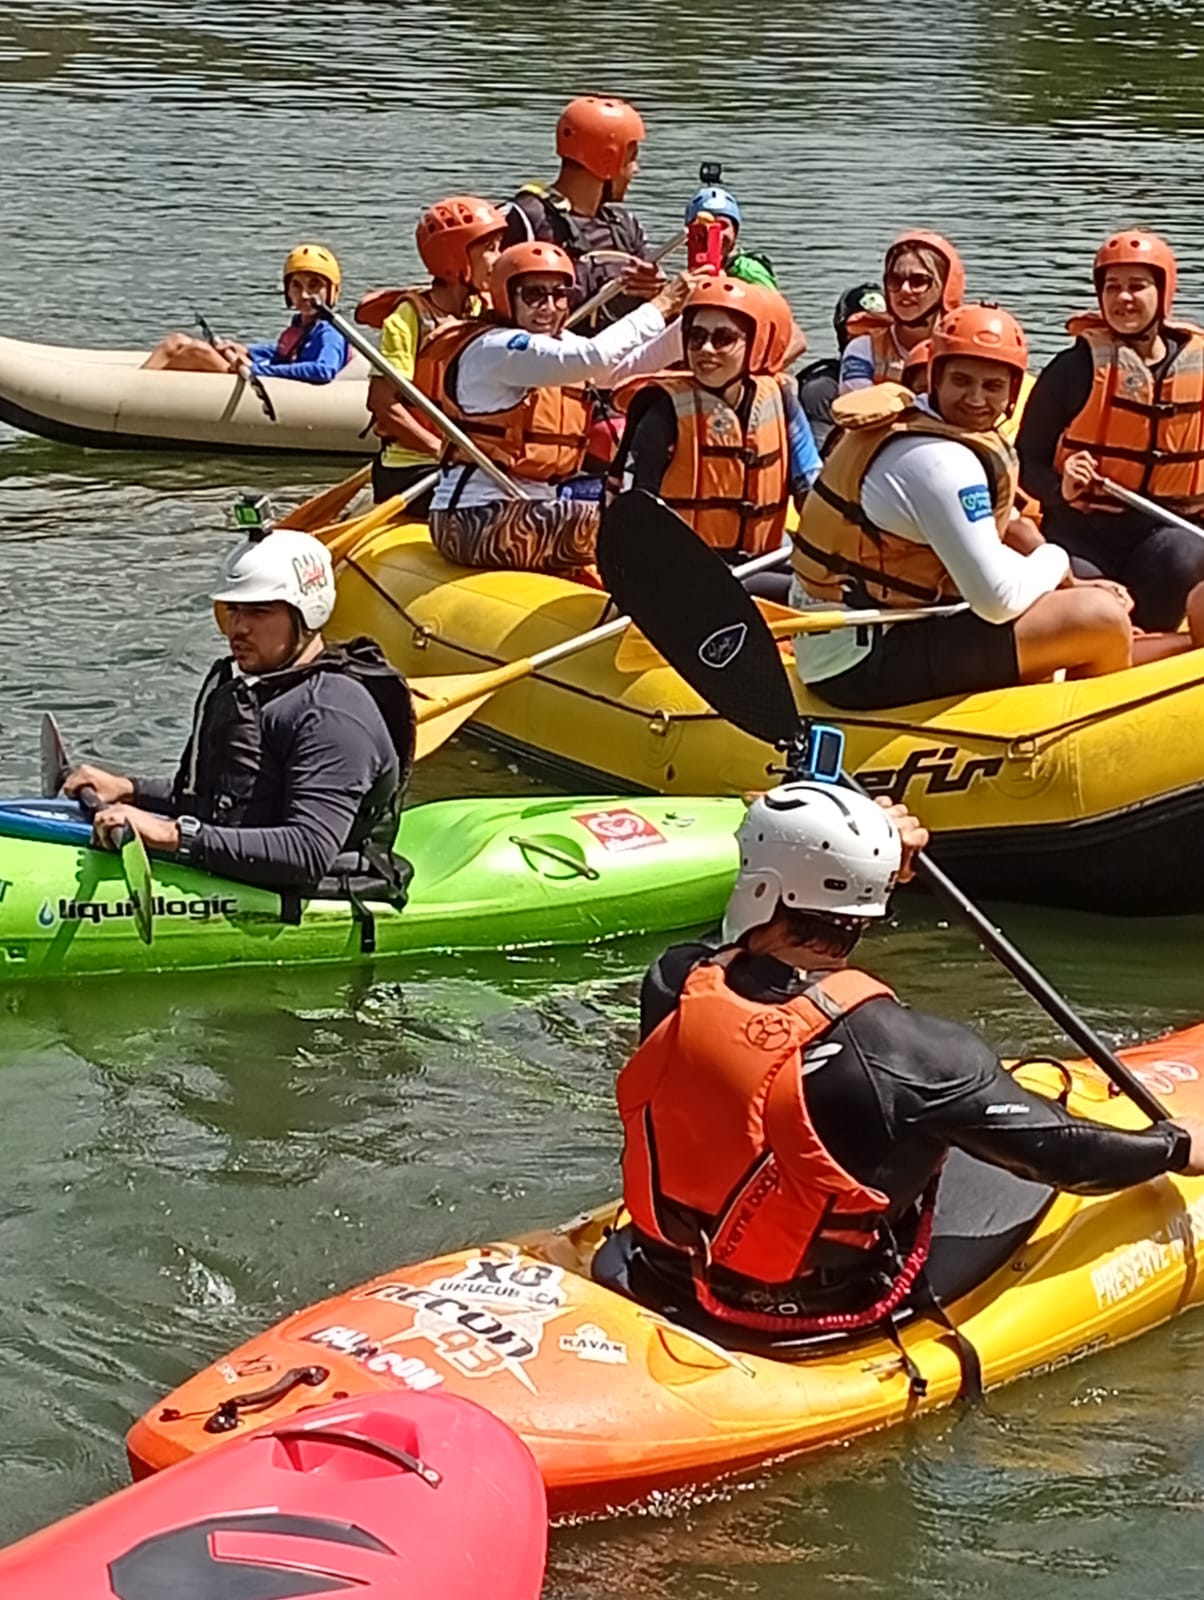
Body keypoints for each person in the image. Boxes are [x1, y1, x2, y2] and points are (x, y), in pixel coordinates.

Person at [618, 782, 1204, 1337]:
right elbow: (1068, 1155)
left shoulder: (670, 983)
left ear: (759, 885)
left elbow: (737, 957)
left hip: (663, 1264)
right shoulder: (917, 1057)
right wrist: (1173, 1147)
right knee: (960, 1125)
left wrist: (864, 863)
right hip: (819, 1304)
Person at [790, 303, 1196, 712]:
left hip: (871, 634)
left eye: (992, 386)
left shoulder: (928, 429)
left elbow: (1009, 529)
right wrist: (1057, 562)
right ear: (936, 378)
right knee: (1098, 617)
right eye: (961, 381)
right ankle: (1095, 720)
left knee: (1073, 603)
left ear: (1012, 393)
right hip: (860, 663)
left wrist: (1070, 583)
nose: (976, 398)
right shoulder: (940, 462)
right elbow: (996, 601)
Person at [64, 530, 413, 897]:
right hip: (242, 872)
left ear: (308, 613)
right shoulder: (261, 689)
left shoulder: (331, 714)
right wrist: (129, 790)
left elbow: (308, 852)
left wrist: (172, 835)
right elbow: (222, 801)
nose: (238, 627)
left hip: (321, 892)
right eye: (233, 609)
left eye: (259, 611)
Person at [427, 241, 703, 578]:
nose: (549, 306)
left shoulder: (562, 345)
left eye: (559, 295)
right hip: (470, 522)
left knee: (652, 514)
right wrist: (659, 306)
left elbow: (625, 368)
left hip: (531, 509)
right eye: (534, 295)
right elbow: (593, 358)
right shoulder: (495, 348)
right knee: (631, 527)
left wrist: (692, 319)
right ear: (504, 296)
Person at [1018, 229, 1204, 633]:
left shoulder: (1199, 369)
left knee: (1185, 555)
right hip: (1084, 532)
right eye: (1112, 287)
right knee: (1085, 594)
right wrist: (1060, 487)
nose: (1123, 298)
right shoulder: (1073, 369)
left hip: (1166, 531)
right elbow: (1024, 461)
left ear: (1163, 293)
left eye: (1137, 286)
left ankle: (1153, 639)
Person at [610, 277, 821, 581]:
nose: (706, 349)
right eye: (696, 337)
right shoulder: (663, 411)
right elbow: (634, 511)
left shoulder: (781, 400)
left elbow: (809, 487)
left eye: (724, 338)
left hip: (762, 561)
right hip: (683, 573)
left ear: (754, 343)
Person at [359, 197, 508, 505]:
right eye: (490, 249)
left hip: (465, 463)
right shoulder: (408, 318)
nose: (499, 258)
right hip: (411, 469)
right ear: (454, 257)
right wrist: (440, 449)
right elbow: (382, 402)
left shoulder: (483, 311)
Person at [501, 95, 663, 332]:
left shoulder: (624, 225)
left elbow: (655, 293)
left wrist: (654, 289)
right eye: (631, 159)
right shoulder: (525, 219)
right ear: (608, 160)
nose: (635, 170)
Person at [142, 246, 349, 383]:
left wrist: (256, 369)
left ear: (331, 290)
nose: (304, 294)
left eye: (314, 285)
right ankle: (135, 387)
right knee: (175, 341)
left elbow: (323, 370)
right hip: (265, 378)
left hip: (269, 388)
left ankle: (136, 398)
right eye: (296, 285)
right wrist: (247, 351)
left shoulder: (331, 332)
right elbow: (282, 352)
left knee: (197, 352)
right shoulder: (302, 325)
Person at [682, 185, 807, 361]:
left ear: (736, 233)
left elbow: (795, 337)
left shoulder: (747, 269)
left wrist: (761, 369)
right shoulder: (686, 279)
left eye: (722, 226)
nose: (715, 235)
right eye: (703, 228)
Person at [839, 231, 965, 393]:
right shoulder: (864, 349)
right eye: (895, 280)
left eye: (919, 281)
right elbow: (856, 403)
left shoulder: (964, 350)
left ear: (946, 288)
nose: (904, 289)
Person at [798, 283, 886, 451]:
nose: (869, 339)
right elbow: (819, 456)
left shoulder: (911, 379)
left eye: (879, 329)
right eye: (860, 331)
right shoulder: (823, 389)